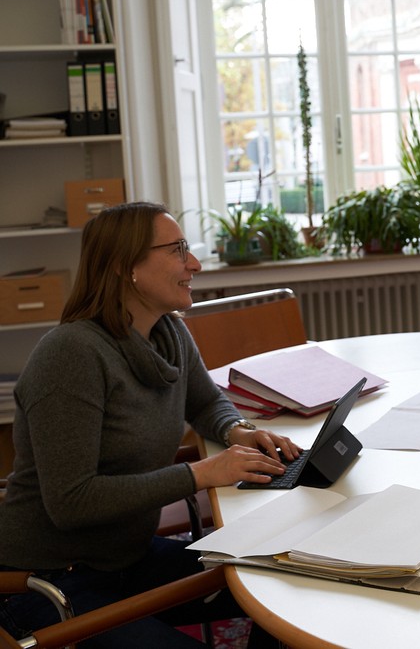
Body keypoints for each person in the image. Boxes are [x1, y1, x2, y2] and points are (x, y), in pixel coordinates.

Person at [0, 202, 302, 647]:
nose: (194, 263)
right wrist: (200, 474)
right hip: (48, 581)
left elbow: (205, 401)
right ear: (126, 268)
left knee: (282, 587)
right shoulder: (71, 355)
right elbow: (71, 501)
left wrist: (236, 428)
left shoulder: (169, 333)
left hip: (127, 557)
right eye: (178, 250)